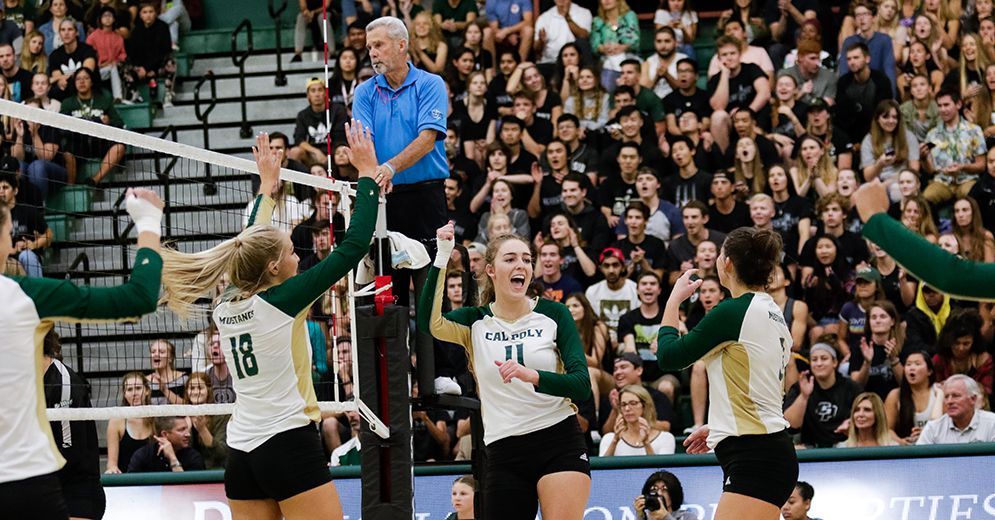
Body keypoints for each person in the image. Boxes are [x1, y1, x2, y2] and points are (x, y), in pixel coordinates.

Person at [154, 128, 379, 519]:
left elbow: (249, 245)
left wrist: (267, 189)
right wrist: (367, 177)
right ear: (274, 268)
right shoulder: (283, 300)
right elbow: (354, 247)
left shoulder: (225, 304)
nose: (298, 257)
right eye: (292, 251)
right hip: (288, 444)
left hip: (242, 454)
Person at [0, 185, 162, 518]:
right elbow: (138, 299)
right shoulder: (23, 295)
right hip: (24, 481)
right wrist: (149, 223)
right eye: (9, 231)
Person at [419, 221, 592, 520]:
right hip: (503, 449)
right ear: (491, 271)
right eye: (510, 259)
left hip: (558, 439)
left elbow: (581, 385)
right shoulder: (474, 321)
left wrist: (533, 376)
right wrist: (442, 255)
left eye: (526, 259)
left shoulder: (555, 314)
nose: (521, 265)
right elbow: (428, 322)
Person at [659, 226, 797, 520]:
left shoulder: (732, 312)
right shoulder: (773, 311)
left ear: (728, 264)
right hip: (764, 448)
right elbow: (757, 382)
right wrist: (723, 423)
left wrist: (673, 301)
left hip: (756, 455)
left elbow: (668, 357)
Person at [41, 331, 104, 520]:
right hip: (48, 491)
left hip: (78, 493)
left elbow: (72, 448)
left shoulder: (62, 382)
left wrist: (34, 471)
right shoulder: (24, 383)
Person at [783, 342, 862, 448]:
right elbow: (791, 426)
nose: (819, 363)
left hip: (845, 446)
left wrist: (852, 423)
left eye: (824, 358)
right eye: (814, 360)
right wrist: (804, 396)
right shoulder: (800, 387)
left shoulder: (852, 388)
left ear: (834, 362)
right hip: (810, 447)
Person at [921, 88, 988, 205]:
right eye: (940, 106)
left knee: (972, 194)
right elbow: (931, 169)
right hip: (942, 181)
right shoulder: (933, 134)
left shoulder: (973, 130)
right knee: (925, 198)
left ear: (958, 104)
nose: (942, 109)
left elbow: (982, 165)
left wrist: (962, 167)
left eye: (946, 105)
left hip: (967, 179)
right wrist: (922, 158)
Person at [60, 67, 125, 185]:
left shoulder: (104, 100)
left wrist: (109, 123)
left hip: (99, 141)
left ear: (92, 82)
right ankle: (71, 187)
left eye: (86, 78)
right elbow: (62, 127)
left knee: (119, 146)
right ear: (74, 83)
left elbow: (119, 123)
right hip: (78, 142)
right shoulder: (68, 103)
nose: (82, 82)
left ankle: (95, 181)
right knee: (67, 152)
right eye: (78, 79)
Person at [707, 35, 771, 153]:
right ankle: (725, 162)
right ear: (718, 59)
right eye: (724, 55)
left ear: (740, 55)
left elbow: (765, 93)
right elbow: (718, 107)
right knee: (718, 117)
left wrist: (744, 115)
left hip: (755, 119)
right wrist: (725, 74)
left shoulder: (752, 68)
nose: (729, 58)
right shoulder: (715, 80)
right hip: (731, 126)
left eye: (733, 53)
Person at [836, 42, 894, 145]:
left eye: (856, 58)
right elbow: (842, 114)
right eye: (849, 59)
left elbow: (883, 111)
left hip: (877, 133)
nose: (852, 62)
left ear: (867, 59)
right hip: (851, 134)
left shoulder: (881, 80)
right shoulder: (844, 82)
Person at [885, 350, 944, 445]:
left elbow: (946, 424)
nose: (912, 368)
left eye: (917, 364)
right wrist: (901, 442)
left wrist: (926, 433)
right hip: (906, 449)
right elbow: (886, 430)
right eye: (908, 364)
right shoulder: (895, 395)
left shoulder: (940, 391)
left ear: (929, 371)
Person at [0, 171, 51, 278]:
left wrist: (33, 245)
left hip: (25, 256)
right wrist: (11, 250)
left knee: (26, 255)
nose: (1, 192)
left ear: (15, 191)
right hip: (4, 257)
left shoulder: (28, 211)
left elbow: (49, 235)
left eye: (5, 188)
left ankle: (37, 292)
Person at [122, 1, 175, 105]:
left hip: (158, 67)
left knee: (171, 62)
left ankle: (168, 95)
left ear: (155, 13)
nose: (148, 15)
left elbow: (164, 52)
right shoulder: (136, 31)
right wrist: (142, 69)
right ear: (140, 15)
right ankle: (134, 94)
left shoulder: (162, 27)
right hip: (141, 70)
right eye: (145, 12)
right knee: (122, 65)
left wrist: (149, 68)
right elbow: (133, 55)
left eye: (151, 12)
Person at [599, 385, 676, 456]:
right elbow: (601, 469)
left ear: (644, 406)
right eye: (623, 404)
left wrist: (646, 443)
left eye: (633, 403)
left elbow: (661, 469)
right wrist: (615, 441)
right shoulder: (609, 439)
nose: (627, 409)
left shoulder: (665, 438)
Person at [916, 375, 995, 444]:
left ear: (973, 399)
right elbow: (919, 460)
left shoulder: (992, 423)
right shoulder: (933, 428)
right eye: (946, 397)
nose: (949, 401)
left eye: (956, 396)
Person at [838, 0, 898, 89]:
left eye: (865, 14)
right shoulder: (849, 41)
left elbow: (889, 70)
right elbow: (843, 71)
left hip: (878, 88)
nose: (861, 18)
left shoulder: (884, 40)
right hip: (855, 89)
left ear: (873, 18)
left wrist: (890, 98)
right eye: (858, 15)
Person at [290, 78, 349, 167]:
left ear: (325, 93)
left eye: (320, 90)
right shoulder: (303, 115)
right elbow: (299, 140)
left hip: (335, 152)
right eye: (313, 91)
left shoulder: (337, 110)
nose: (317, 94)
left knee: (342, 151)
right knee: (294, 152)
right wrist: (317, 152)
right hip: (314, 154)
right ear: (308, 95)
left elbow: (340, 138)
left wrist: (331, 155)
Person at [932, 309, 994, 395]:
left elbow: (986, 392)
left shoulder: (983, 361)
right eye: (956, 343)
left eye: (966, 344)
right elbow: (934, 390)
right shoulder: (939, 361)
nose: (961, 348)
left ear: (974, 342)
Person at [104, 372, 154, 475]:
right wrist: (113, 469)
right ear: (124, 394)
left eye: (138, 388)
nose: (134, 393)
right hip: (128, 482)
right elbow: (112, 463)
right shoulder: (117, 421)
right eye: (129, 390)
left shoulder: (157, 419)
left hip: (155, 481)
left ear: (147, 390)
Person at [586, 247, 639, 342]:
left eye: (615, 265)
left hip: (630, 340)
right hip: (601, 341)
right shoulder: (592, 291)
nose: (611, 270)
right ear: (601, 268)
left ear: (623, 267)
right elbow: (591, 323)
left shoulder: (635, 289)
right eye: (606, 266)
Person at [127, 416, 205, 472]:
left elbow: (188, 490)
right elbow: (131, 489)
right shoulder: (142, 456)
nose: (188, 434)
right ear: (164, 434)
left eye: (187, 429)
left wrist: (173, 459)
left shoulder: (194, 457)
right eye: (182, 430)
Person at [184, 373, 230, 470]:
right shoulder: (181, 416)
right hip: (188, 471)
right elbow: (181, 452)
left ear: (208, 390)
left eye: (200, 388)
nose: (196, 392)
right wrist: (187, 430)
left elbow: (221, 454)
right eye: (192, 388)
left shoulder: (221, 416)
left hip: (213, 471)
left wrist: (202, 430)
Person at [533, 0, 591, 74]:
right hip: (550, 63)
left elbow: (583, 36)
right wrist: (541, 41)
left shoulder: (584, 13)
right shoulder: (544, 17)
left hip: (576, 64)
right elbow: (536, 50)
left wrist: (567, 18)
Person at [612, 203, 667, 280]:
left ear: (646, 221)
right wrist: (633, 264)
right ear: (625, 221)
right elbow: (615, 281)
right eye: (630, 217)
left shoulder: (657, 244)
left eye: (638, 218)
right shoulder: (617, 246)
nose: (633, 222)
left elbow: (659, 278)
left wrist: (643, 262)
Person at [779, 39, 836, 107]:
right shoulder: (785, 75)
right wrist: (800, 93)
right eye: (812, 58)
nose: (817, 63)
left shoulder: (829, 77)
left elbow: (827, 106)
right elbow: (782, 104)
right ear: (800, 57)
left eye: (818, 59)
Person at [642, 27, 688, 101]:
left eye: (667, 41)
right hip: (654, 103)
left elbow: (686, 90)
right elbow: (643, 92)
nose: (663, 45)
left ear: (675, 43)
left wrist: (667, 76)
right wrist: (657, 77)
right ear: (654, 43)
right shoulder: (648, 62)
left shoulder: (684, 60)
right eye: (659, 41)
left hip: (678, 102)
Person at [147, 339, 187, 404]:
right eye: (153, 352)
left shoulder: (184, 379)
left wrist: (165, 390)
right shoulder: (145, 382)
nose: (156, 354)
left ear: (170, 358)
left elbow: (188, 405)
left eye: (162, 352)